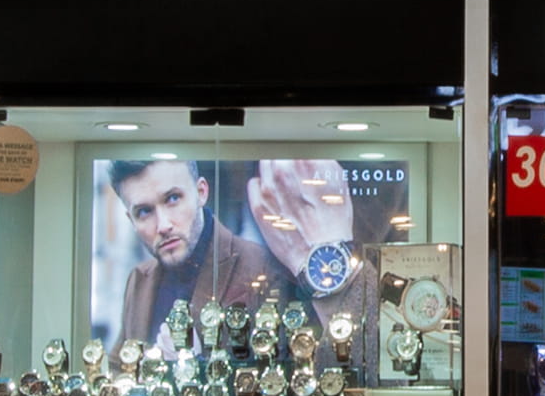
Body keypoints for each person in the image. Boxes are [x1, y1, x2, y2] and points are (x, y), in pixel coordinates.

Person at [107, 151, 378, 374]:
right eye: (144, 212)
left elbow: (305, 372)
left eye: (173, 199)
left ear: (201, 192)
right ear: (131, 220)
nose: (163, 225)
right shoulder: (138, 279)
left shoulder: (265, 268)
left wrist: (196, 367)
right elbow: (120, 369)